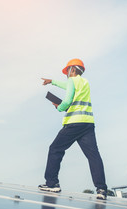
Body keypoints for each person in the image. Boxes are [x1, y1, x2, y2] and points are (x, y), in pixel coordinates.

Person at [39, 58, 108, 200]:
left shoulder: (72, 81)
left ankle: (52, 183)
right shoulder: (85, 82)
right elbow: (68, 86)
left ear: (73, 69)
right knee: (93, 156)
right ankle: (101, 189)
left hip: (74, 123)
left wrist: (59, 107)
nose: (66, 74)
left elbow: (67, 101)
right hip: (88, 124)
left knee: (55, 149)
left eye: (67, 71)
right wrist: (52, 81)